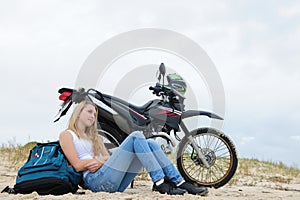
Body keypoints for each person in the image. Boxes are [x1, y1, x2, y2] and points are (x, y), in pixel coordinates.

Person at [59, 100, 208, 195]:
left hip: (114, 183)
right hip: (95, 181)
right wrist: (99, 161)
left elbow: (108, 159)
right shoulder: (67, 135)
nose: (93, 116)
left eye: (95, 113)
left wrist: (100, 162)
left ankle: (179, 181)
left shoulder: (95, 137)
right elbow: (78, 165)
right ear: (78, 113)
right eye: (89, 112)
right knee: (136, 136)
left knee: (150, 143)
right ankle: (160, 182)